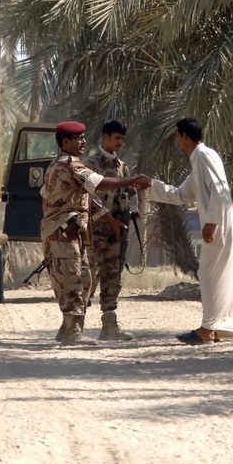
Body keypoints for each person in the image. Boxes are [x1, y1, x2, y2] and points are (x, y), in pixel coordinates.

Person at [42, 120, 150, 345]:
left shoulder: (59, 164)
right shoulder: (71, 164)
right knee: (73, 279)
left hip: (70, 231)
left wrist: (112, 217)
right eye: (78, 138)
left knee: (83, 278)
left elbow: (49, 195)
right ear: (66, 141)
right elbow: (97, 184)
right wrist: (134, 180)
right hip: (65, 232)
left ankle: (69, 330)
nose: (83, 141)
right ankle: (72, 332)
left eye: (83, 137)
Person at [147, 118, 233, 344]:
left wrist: (211, 222)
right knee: (216, 276)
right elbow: (182, 194)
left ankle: (208, 329)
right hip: (219, 223)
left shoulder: (203, 156)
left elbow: (220, 190)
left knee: (208, 276)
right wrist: (149, 185)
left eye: (177, 137)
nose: (177, 141)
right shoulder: (199, 158)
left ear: (184, 136)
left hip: (218, 225)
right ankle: (217, 326)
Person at [82, 120, 138, 341]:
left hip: (116, 231)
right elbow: (86, 194)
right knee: (89, 275)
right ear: (105, 138)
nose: (120, 143)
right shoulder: (90, 164)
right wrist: (105, 215)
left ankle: (109, 325)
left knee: (112, 275)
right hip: (94, 229)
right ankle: (76, 324)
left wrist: (132, 213)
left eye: (123, 139)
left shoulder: (122, 167)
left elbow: (131, 193)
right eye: (117, 138)